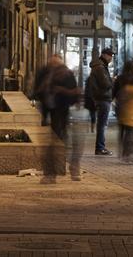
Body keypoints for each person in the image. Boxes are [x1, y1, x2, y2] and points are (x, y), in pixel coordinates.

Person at [39, 54, 81, 182]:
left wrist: (61, 91)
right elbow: (39, 93)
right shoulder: (44, 74)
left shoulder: (66, 74)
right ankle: (53, 173)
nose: (54, 66)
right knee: (55, 144)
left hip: (62, 113)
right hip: (52, 115)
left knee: (62, 144)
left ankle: (69, 169)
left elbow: (74, 93)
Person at [86, 47, 115, 155]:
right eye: (110, 55)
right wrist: (112, 81)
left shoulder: (100, 66)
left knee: (102, 124)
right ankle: (100, 147)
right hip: (103, 98)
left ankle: (100, 147)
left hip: (101, 98)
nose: (111, 58)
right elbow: (105, 84)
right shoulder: (100, 67)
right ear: (104, 55)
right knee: (102, 124)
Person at [113, 60, 133, 159]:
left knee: (121, 129)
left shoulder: (119, 78)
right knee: (130, 130)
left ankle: (120, 151)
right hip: (132, 107)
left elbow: (114, 92)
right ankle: (127, 152)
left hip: (120, 106)